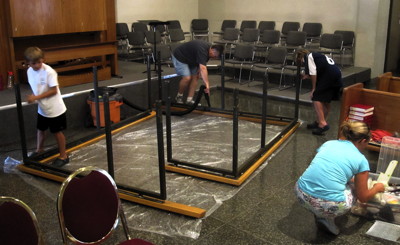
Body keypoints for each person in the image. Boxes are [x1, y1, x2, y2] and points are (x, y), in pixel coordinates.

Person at [294, 121, 385, 235]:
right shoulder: (361, 160)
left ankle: (319, 212)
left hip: (300, 194)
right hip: (327, 205)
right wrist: (377, 187)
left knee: (343, 181)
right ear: (363, 141)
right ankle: (326, 217)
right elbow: (363, 197)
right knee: (354, 188)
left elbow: (326, 168)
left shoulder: (329, 143)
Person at [24, 47, 69, 167]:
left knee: (57, 132)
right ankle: (39, 149)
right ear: (28, 63)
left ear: (43, 59)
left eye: (39, 62)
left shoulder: (49, 72)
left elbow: (54, 90)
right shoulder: (29, 71)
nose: (38, 65)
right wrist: (35, 96)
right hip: (42, 108)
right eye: (34, 63)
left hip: (55, 109)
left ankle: (64, 156)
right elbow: (37, 86)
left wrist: (35, 97)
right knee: (40, 129)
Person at [296, 49, 343, 135]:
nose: (302, 63)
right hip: (336, 75)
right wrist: (307, 76)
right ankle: (319, 123)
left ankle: (322, 123)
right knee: (325, 100)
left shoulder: (308, 57)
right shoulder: (317, 55)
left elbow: (314, 73)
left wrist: (314, 89)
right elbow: (318, 72)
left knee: (316, 97)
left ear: (300, 57)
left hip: (329, 76)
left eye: (300, 61)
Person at [172, 40, 224, 105]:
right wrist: (207, 84)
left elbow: (202, 63)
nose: (214, 58)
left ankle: (189, 100)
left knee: (196, 76)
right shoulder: (202, 50)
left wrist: (199, 69)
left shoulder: (208, 50)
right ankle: (179, 97)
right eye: (215, 56)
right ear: (212, 50)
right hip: (180, 57)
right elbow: (203, 68)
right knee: (187, 78)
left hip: (191, 59)